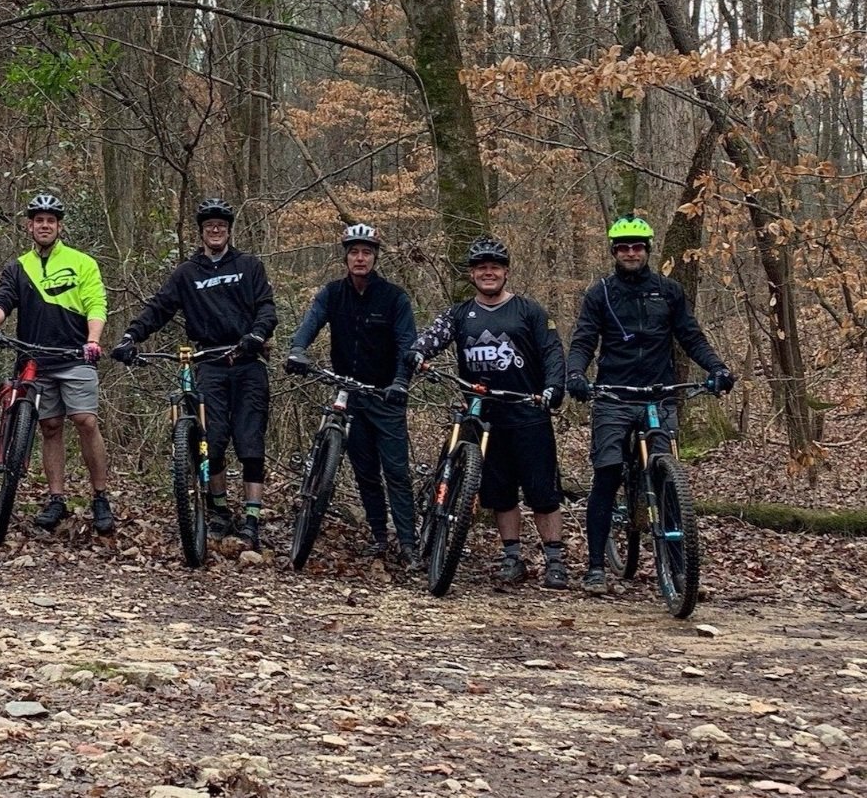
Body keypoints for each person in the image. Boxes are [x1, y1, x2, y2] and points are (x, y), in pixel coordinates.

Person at [566, 215, 733, 595]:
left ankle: (679, 570)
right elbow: (583, 341)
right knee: (607, 473)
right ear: (613, 252)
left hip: (659, 394)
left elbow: (691, 336)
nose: (630, 252)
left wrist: (717, 367)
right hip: (613, 395)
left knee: (667, 477)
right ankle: (595, 566)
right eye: (623, 247)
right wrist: (575, 374)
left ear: (647, 250)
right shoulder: (600, 294)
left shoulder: (669, 291)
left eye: (637, 246)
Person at [111, 198, 277, 551]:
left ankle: (251, 520)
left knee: (250, 443)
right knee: (212, 442)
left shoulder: (248, 266)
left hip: (247, 362)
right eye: (208, 226)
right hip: (209, 364)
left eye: (221, 225)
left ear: (229, 230)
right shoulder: (187, 273)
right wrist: (131, 337)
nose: (215, 231)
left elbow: (266, 306)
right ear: (201, 232)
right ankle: (218, 512)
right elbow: (160, 307)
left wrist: (257, 334)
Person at [405, 235, 570, 589]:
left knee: (542, 492)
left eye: (494, 267)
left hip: (528, 412)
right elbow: (433, 336)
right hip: (483, 417)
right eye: (481, 268)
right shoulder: (460, 314)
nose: (488, 273)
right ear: (472, 275)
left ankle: (554, 559)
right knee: (500, 492)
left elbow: (553, 352)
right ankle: (512, 557)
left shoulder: (530, 311)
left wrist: (554, 388)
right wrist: (419, 352)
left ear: (506, 272)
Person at [0, 194, 115, 536]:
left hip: (74, 355)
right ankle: (56, 499)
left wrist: (93, 340)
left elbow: (96, 304)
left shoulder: (82, 263)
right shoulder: (18, 267)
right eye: (39, 220)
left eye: (51, 220)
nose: (45, 225)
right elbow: (2, 301)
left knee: (85, 420)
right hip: (34, 359)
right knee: (50, 427)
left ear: (59, 226)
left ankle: (100, 496)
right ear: (30, 226)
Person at [285, 224, 420, 566]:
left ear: (375, 258)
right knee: (365, 470)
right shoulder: (332, 293)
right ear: (345, 256)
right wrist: (298, 351)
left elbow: (407, 343)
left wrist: (401, 381)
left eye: (367, 253)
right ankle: (378, 536)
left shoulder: (394, 297)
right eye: (354, 252)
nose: (360, 258)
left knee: (397, 471)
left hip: (385, 393)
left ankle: (408, 543)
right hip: (348, 390)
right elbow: (311, 323)